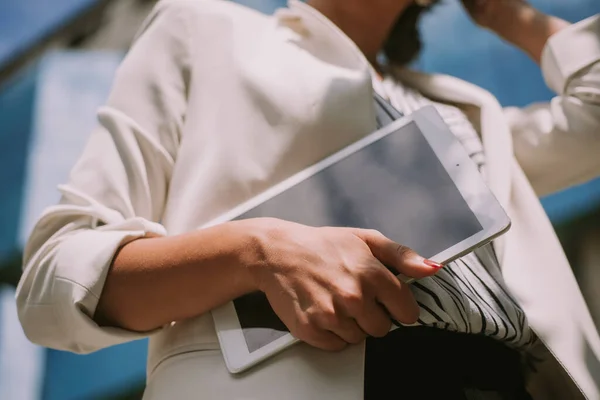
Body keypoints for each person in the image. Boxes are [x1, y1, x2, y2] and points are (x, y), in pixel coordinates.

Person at [15, 0, 600, 398]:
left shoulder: (465, 112)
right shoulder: (201, 29)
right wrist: (256, 250)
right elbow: (52, 283)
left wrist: (503, 12)